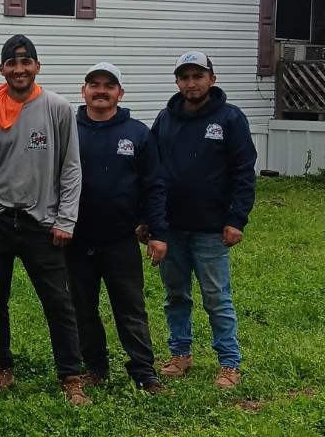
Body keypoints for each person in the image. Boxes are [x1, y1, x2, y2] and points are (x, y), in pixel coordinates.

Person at [0, 34, 89, 406]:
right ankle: (1, 368)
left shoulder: (56, 107)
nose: (19, 69)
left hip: (42, 221)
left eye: (26, 62)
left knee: (58, 301)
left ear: (37, 67)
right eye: (12, 62)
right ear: (2, 69)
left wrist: (65, 220)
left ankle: (71, 375)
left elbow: (71, 168)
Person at [147, 51, 257, 389]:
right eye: (185, 77)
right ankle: (180, 354)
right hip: (171, 228)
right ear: (177, 81)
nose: (191, 83)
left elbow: (243, 173)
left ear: (212, 78)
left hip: (212, 229)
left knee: (216, 297)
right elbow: (151, 173)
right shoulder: (165, 119)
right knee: (175, 295)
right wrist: (149, 220)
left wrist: (236, 219)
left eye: (198, 76)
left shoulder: (230, 119)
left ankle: (229, 363)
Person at [67, 62, 168, 395]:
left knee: (130, 308)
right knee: (83, 308)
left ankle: (144, 372)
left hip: (121, 239)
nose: (100, 90)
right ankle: (94, 368)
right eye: (93, 84)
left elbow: (153, 185)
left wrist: (156, 232)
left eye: (108, 85)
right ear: (84, 91)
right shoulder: (68, 129)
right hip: (76, 238)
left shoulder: (138, 133)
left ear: (119, 93)